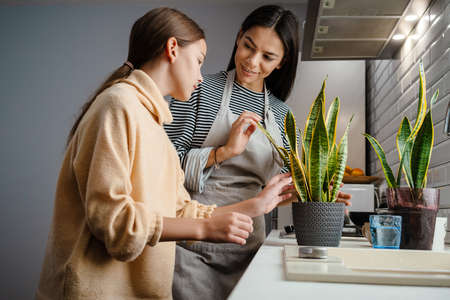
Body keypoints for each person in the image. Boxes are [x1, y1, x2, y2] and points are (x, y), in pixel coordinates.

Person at [35, 7, 294, 300]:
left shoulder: (154, 121)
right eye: (198, 61)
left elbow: (178, 207)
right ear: (173, 48)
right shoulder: (119, 105)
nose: (201, 75)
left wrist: (262, 204)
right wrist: (221, 160)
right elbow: (116, 223)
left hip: (144, 283)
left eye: (268, 56)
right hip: (103, 288)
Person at [164, 5, 351, 299]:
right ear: (238, 38)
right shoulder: (200, 89)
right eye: (248, 46)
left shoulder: (281, 114)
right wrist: (222, 152)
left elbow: (279, 189)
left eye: (267, 56)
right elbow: (162, 169)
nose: (252, 61)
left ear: (282, 62)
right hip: (192, 246)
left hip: (250, 250)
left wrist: (318, 193)